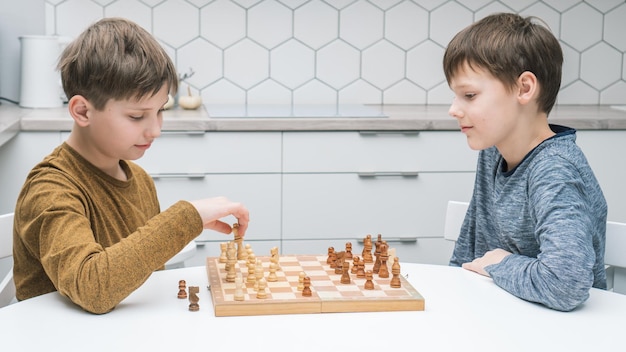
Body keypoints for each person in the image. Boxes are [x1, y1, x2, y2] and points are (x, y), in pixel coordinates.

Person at [12, 17, 249, 314]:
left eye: (160, 111)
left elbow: (141, 277)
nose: (155, 130)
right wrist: (185, 218)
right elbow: (93, 289)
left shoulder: (138, 179)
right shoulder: (50, 189)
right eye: (137, 116)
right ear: (83, 111)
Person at [443, 13, 607, 311]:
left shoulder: (554, 169)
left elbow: (566, 285)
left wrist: (501, 262)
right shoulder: (494, 150)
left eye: (469, 95)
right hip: (501, 314)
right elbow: (470, 254)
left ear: (524, 88)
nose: (453, 109)